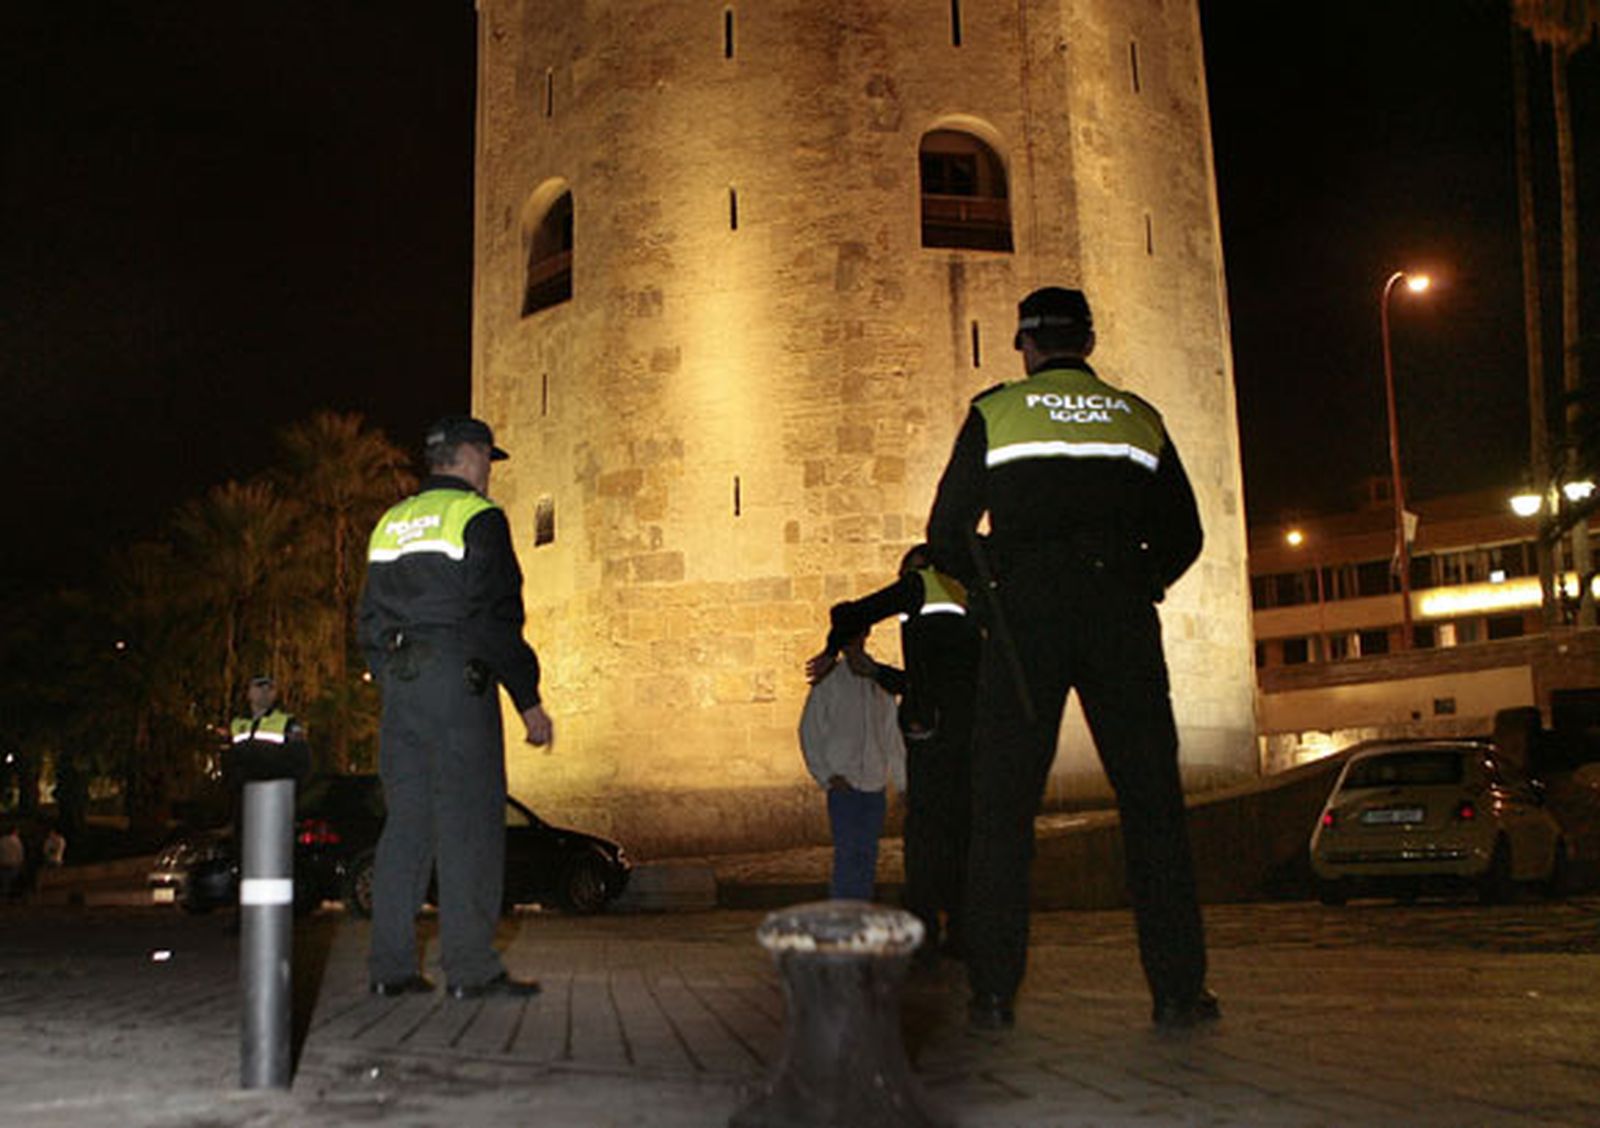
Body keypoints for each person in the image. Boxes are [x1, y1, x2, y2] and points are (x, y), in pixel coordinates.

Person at [926, 286, 1217, 1031]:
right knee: (1152, 805)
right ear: (1087, 343)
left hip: (1025, 621)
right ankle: (1178, 990)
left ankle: (993, 991)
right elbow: (1185, 532)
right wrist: (1140, 579)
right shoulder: (1137, 416)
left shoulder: (997, 411)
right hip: (1119, 614)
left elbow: (947, 530)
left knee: (1002, 811)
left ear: (1025, 345)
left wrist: (991, 600)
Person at [358, 414, 553, 1000]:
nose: (490, 475)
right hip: (455, 679)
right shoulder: (479, 517)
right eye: (489, 461)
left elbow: (367, 619)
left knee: (407, 825)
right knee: (469, 823)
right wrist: (527, 698)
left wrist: (391, 680)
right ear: (470, 457)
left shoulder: (390, 523)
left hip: (401, 683)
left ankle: (390, 968)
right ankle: (470, 970)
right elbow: (496, 616)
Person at [805, 544, 980, 960]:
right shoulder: (970, 595)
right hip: (971, 731)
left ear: (920, 569)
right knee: (960, 837)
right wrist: (879, 673)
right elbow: (941, 682)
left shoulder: (921, 586)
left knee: (924, 840)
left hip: (932, 735)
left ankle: (922, 934)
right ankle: (960, 931)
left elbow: (851, 613)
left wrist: (832, 651)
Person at [799, 631, 907, 901]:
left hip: (874, 783)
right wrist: (827, 776)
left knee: (867, 854)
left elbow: (892, 734)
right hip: (844, 783)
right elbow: (809, 730)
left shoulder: (880, 681)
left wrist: (902, 781)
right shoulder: (830, 682)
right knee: (848, 853)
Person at [0, 826, 24, 901]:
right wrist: (21, 861)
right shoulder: (17, 841)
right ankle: (12, 896)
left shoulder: (2, 840)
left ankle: (4, 895)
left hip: (3, 862)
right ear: (14, 832)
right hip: (14, 862)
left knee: (5, 880)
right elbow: (20, 852)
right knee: (13, 879)